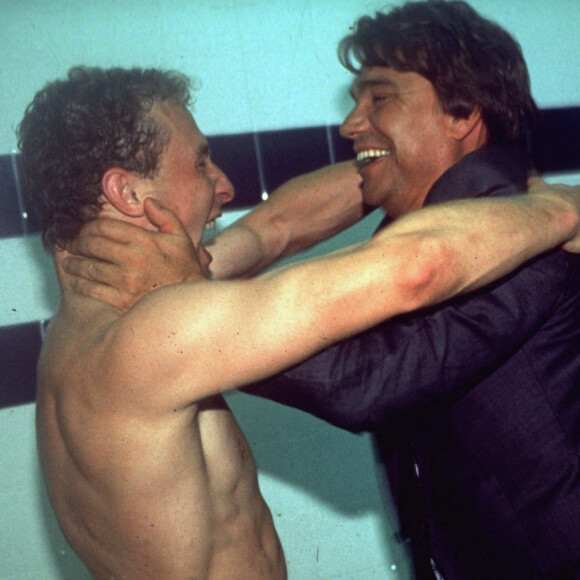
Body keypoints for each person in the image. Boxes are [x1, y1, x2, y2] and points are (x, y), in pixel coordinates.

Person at [55, 3, 580, 577]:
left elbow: (371, 384)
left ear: (462, 115)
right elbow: (279, 224)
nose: (350, 124)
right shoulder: (428, 216)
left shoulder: (523, 243)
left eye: (379, 98)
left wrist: (188, 299)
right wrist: (199, 274)